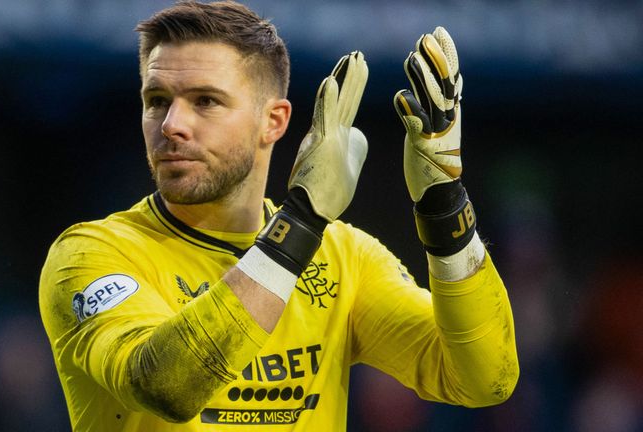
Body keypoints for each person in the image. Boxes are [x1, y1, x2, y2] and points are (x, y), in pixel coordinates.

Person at [38, 1, 519, 430]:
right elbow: (166, 387)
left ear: (275, 121)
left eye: (205, 101)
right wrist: (303, 220)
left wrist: (445, 208)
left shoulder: (345, 259)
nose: (172, 125)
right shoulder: (92, 254)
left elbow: (483, 380)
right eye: (157, 101)